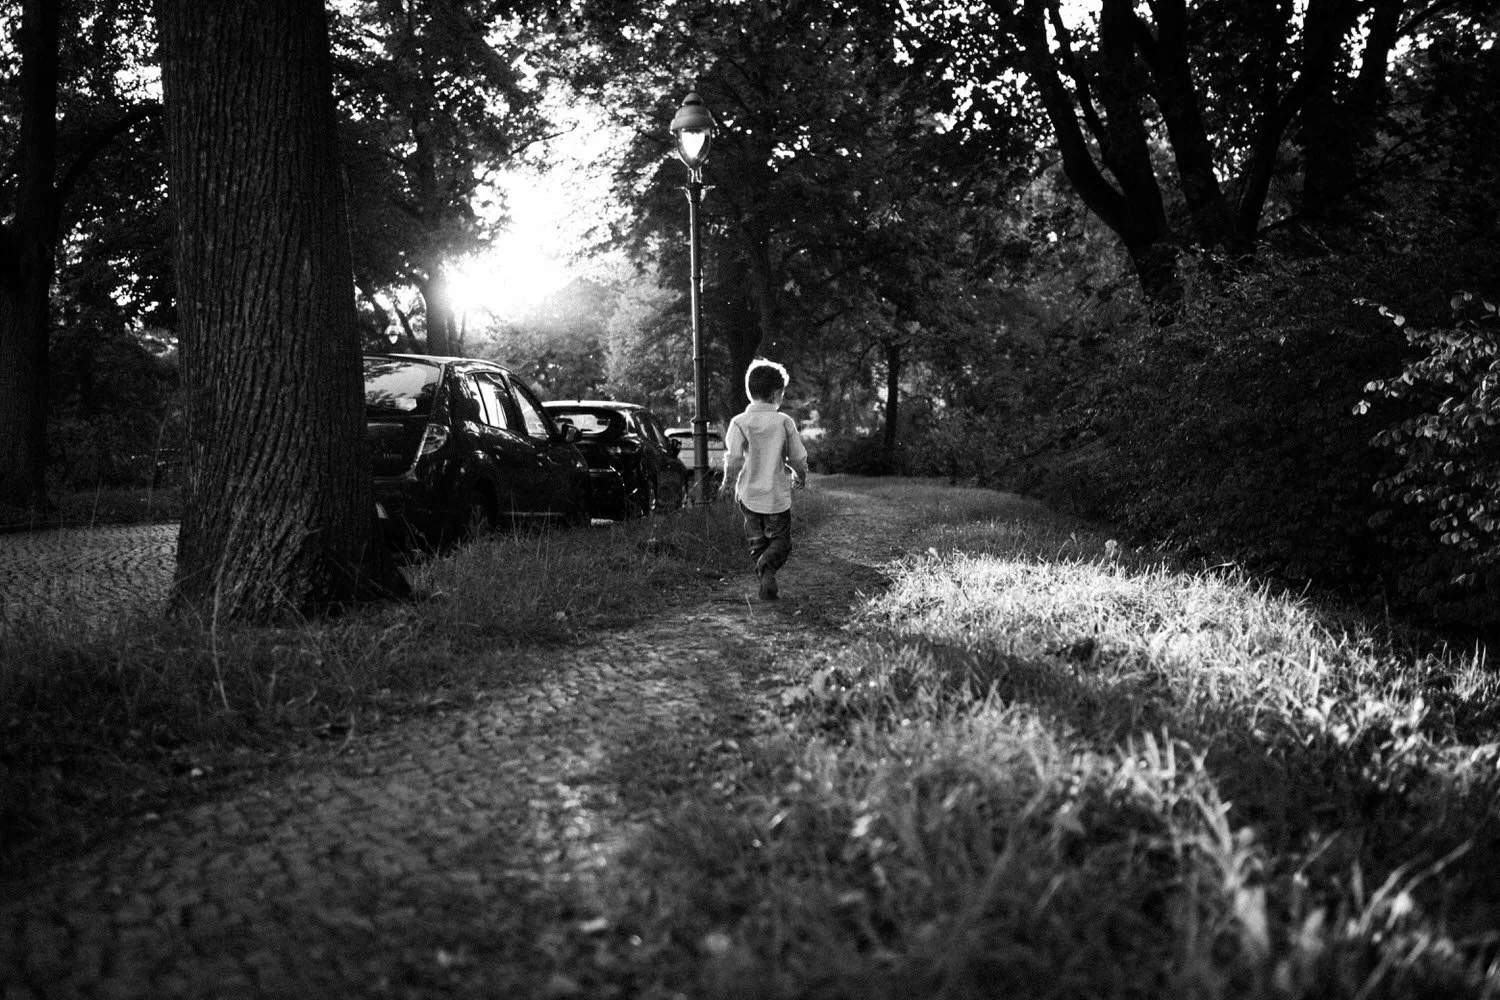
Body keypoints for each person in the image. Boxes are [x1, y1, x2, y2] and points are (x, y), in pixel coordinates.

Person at [718, 358, 809, 600]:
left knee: (757, 542)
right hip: (776, 497)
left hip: (748, 496)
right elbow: (797, 457)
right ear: (778, 393)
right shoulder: (783, 422)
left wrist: (728, 483)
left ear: (750, 392)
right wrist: (800, 475)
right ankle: (768, 568)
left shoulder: (739, 422)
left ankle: (763, 571)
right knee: (781, 542)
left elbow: (734, 458)